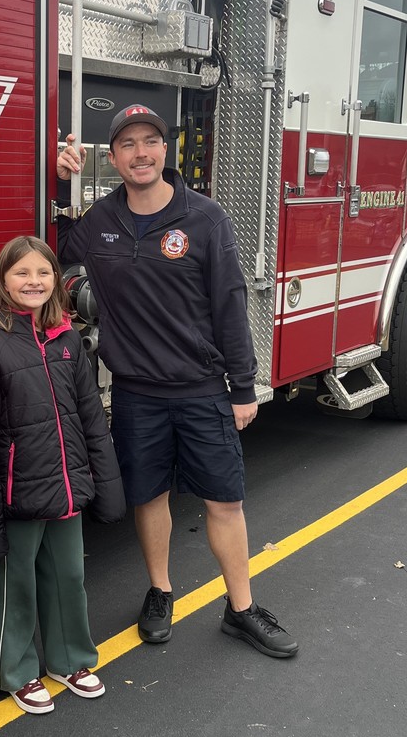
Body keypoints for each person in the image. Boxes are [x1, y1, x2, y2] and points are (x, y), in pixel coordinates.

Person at [55, 104, 298, 658]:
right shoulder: (100, 223)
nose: (140, 153)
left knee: (224, 501)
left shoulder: (206, 218)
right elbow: (51, 245)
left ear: (166, 150)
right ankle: (160, 591)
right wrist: (58, 178)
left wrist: (243, 386)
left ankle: (242, 609)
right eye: (128, 144)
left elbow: (230, 304)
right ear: (112, 157)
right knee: (149, 497)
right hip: (137, 393)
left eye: (150, 141)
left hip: (203, 389)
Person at [0, 236, 126, 714]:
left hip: (67, 485)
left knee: (69, 576)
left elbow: (90, 415)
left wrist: (105, 483)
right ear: (2, 280)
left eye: (43, 273)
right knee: (18, 585)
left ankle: (69, 659)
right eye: (21, 273)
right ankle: (14, 670)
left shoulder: (67, 339)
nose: (33, 281)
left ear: (56, 280)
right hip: (18, 492)